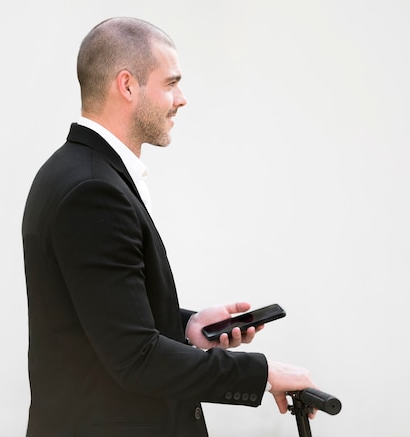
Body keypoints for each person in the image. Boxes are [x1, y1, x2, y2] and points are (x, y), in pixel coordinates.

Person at [22, 16, 317, 436]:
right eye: (170, 83)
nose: (181, 99)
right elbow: (136, 357)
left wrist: (186, 327)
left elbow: (102, 317)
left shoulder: (73, 172)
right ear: (127, 86)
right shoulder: (92, 191)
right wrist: (263, 373)